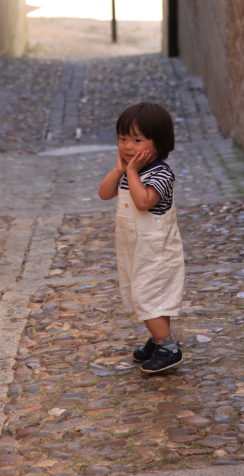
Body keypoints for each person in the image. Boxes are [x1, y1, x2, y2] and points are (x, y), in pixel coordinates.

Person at [98, 101, 185, 374]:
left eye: (136, 140)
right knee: (146, 293)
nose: (127, 146)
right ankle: (158, 340)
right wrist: (120, 171)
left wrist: (133, 172)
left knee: (149, 294)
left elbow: (144, 202)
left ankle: (168, 347)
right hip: (135, 248)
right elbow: (104, 193)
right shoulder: (126, 173)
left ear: (157, 144)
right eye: (123, 138)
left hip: (155, 250)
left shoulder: (160, 173)